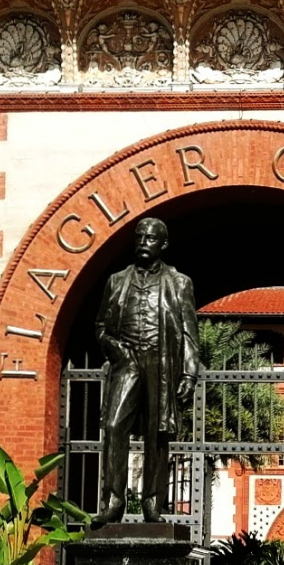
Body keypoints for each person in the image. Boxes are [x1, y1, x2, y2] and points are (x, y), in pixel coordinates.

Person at [94, 216, 200, 523]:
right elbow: (100, 325)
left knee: (158, 435)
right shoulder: (116, 280)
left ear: (163, 244)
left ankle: (153, 503)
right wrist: (113, 347)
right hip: (126, 362)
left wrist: (189, 373)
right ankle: (114, 500)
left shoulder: (180, 283)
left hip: (162, 364)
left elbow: (190, 334)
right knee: (114, 426)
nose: (143, 242)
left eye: (150, 238)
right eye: (139, 237)